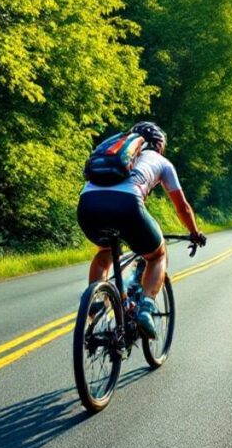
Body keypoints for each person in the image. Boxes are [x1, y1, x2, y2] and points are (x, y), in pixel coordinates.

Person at [77, 121, 206, 338]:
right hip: (127, 205)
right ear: (159, 145)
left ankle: (96, 302)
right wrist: (194, 232)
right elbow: (182, 207)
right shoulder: (161, 162)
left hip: (88, 205)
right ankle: (146, 308)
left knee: (106, 251)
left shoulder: (116, 152)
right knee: (157, 255)